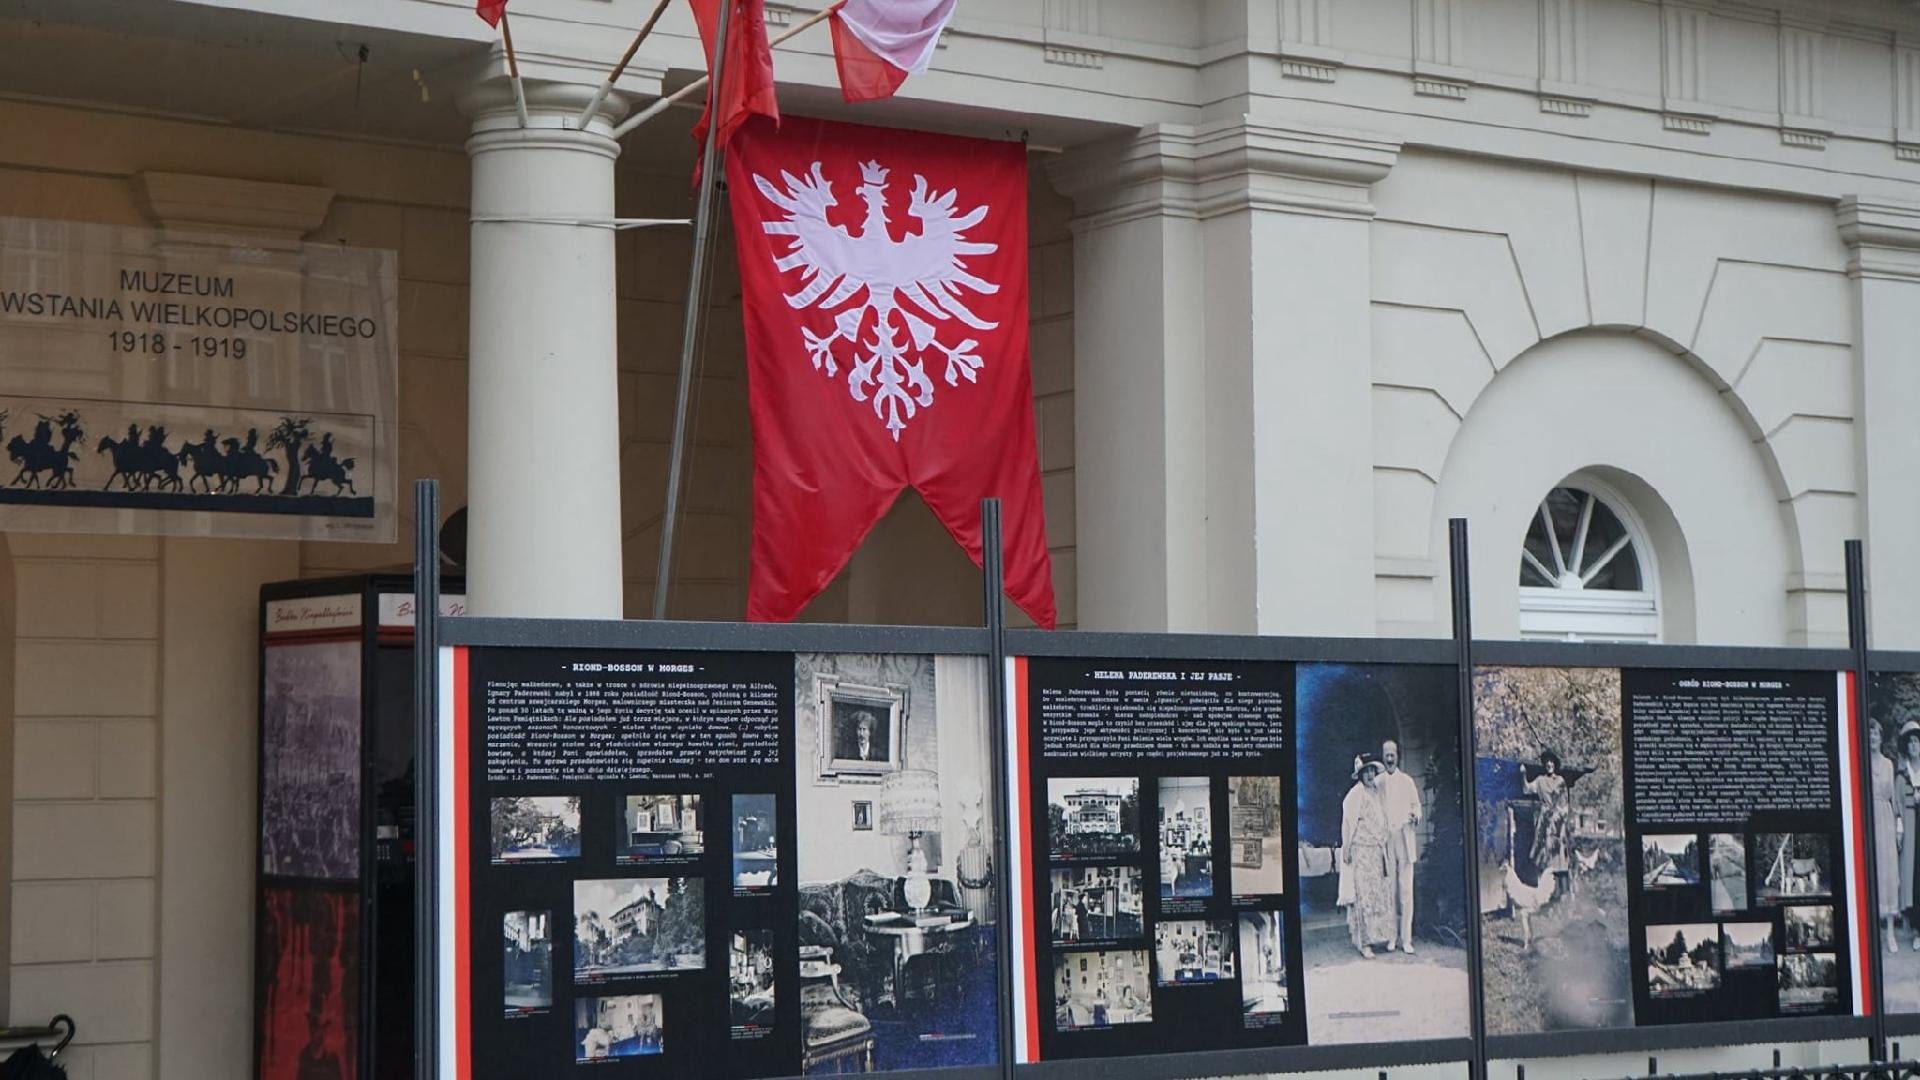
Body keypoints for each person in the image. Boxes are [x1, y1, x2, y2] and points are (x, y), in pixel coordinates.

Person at [1339, 753, 1396, 958]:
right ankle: (1364, 943)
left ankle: (1382, 936)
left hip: (1377, 849)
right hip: (1361, 850)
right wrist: (1346, 846)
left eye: (1372, 771)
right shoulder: (1355, 795)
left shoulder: (1379, 793)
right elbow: (1347, 821)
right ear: (1360, 775)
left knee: (1380, 893)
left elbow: (1384, 818)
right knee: (1364, 895)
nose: (1370, 775)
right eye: (1366, 772)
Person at [1380, 738, 1422, 954]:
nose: (1389, 757)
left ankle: (1406, 939)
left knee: (1406, 891)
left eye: (1392, 753)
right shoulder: (1377, 782)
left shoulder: (1407, 781)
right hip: (1387, 842)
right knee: (1390, 891)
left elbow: (1417, 806)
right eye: (1386, 753)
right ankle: (1391, 937)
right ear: (1382, 756)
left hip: (1405, 840)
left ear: (1398, 755)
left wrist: (1415, 815)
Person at [1873, 720, 1901, 953]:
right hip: (1868, 818)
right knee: (1871, 871)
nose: (1872, 737)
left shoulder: (1888, 764)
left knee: (1889, 871)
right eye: (1869, 733)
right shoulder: (1861, 761)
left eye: (1876, 733)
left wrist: (1898, 825)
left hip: (1885, 817)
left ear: (1881, 738)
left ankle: (1890, 932)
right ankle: (1873, 932)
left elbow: (1893, 797)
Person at [1899, 720, 1920, 949]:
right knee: (1914, 877)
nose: (1914, 745)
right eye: (1911, 742)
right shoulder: (1902, 772)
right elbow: (1897, 803)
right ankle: (1916, 931)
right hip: (1911, 829)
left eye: (1917, 741)